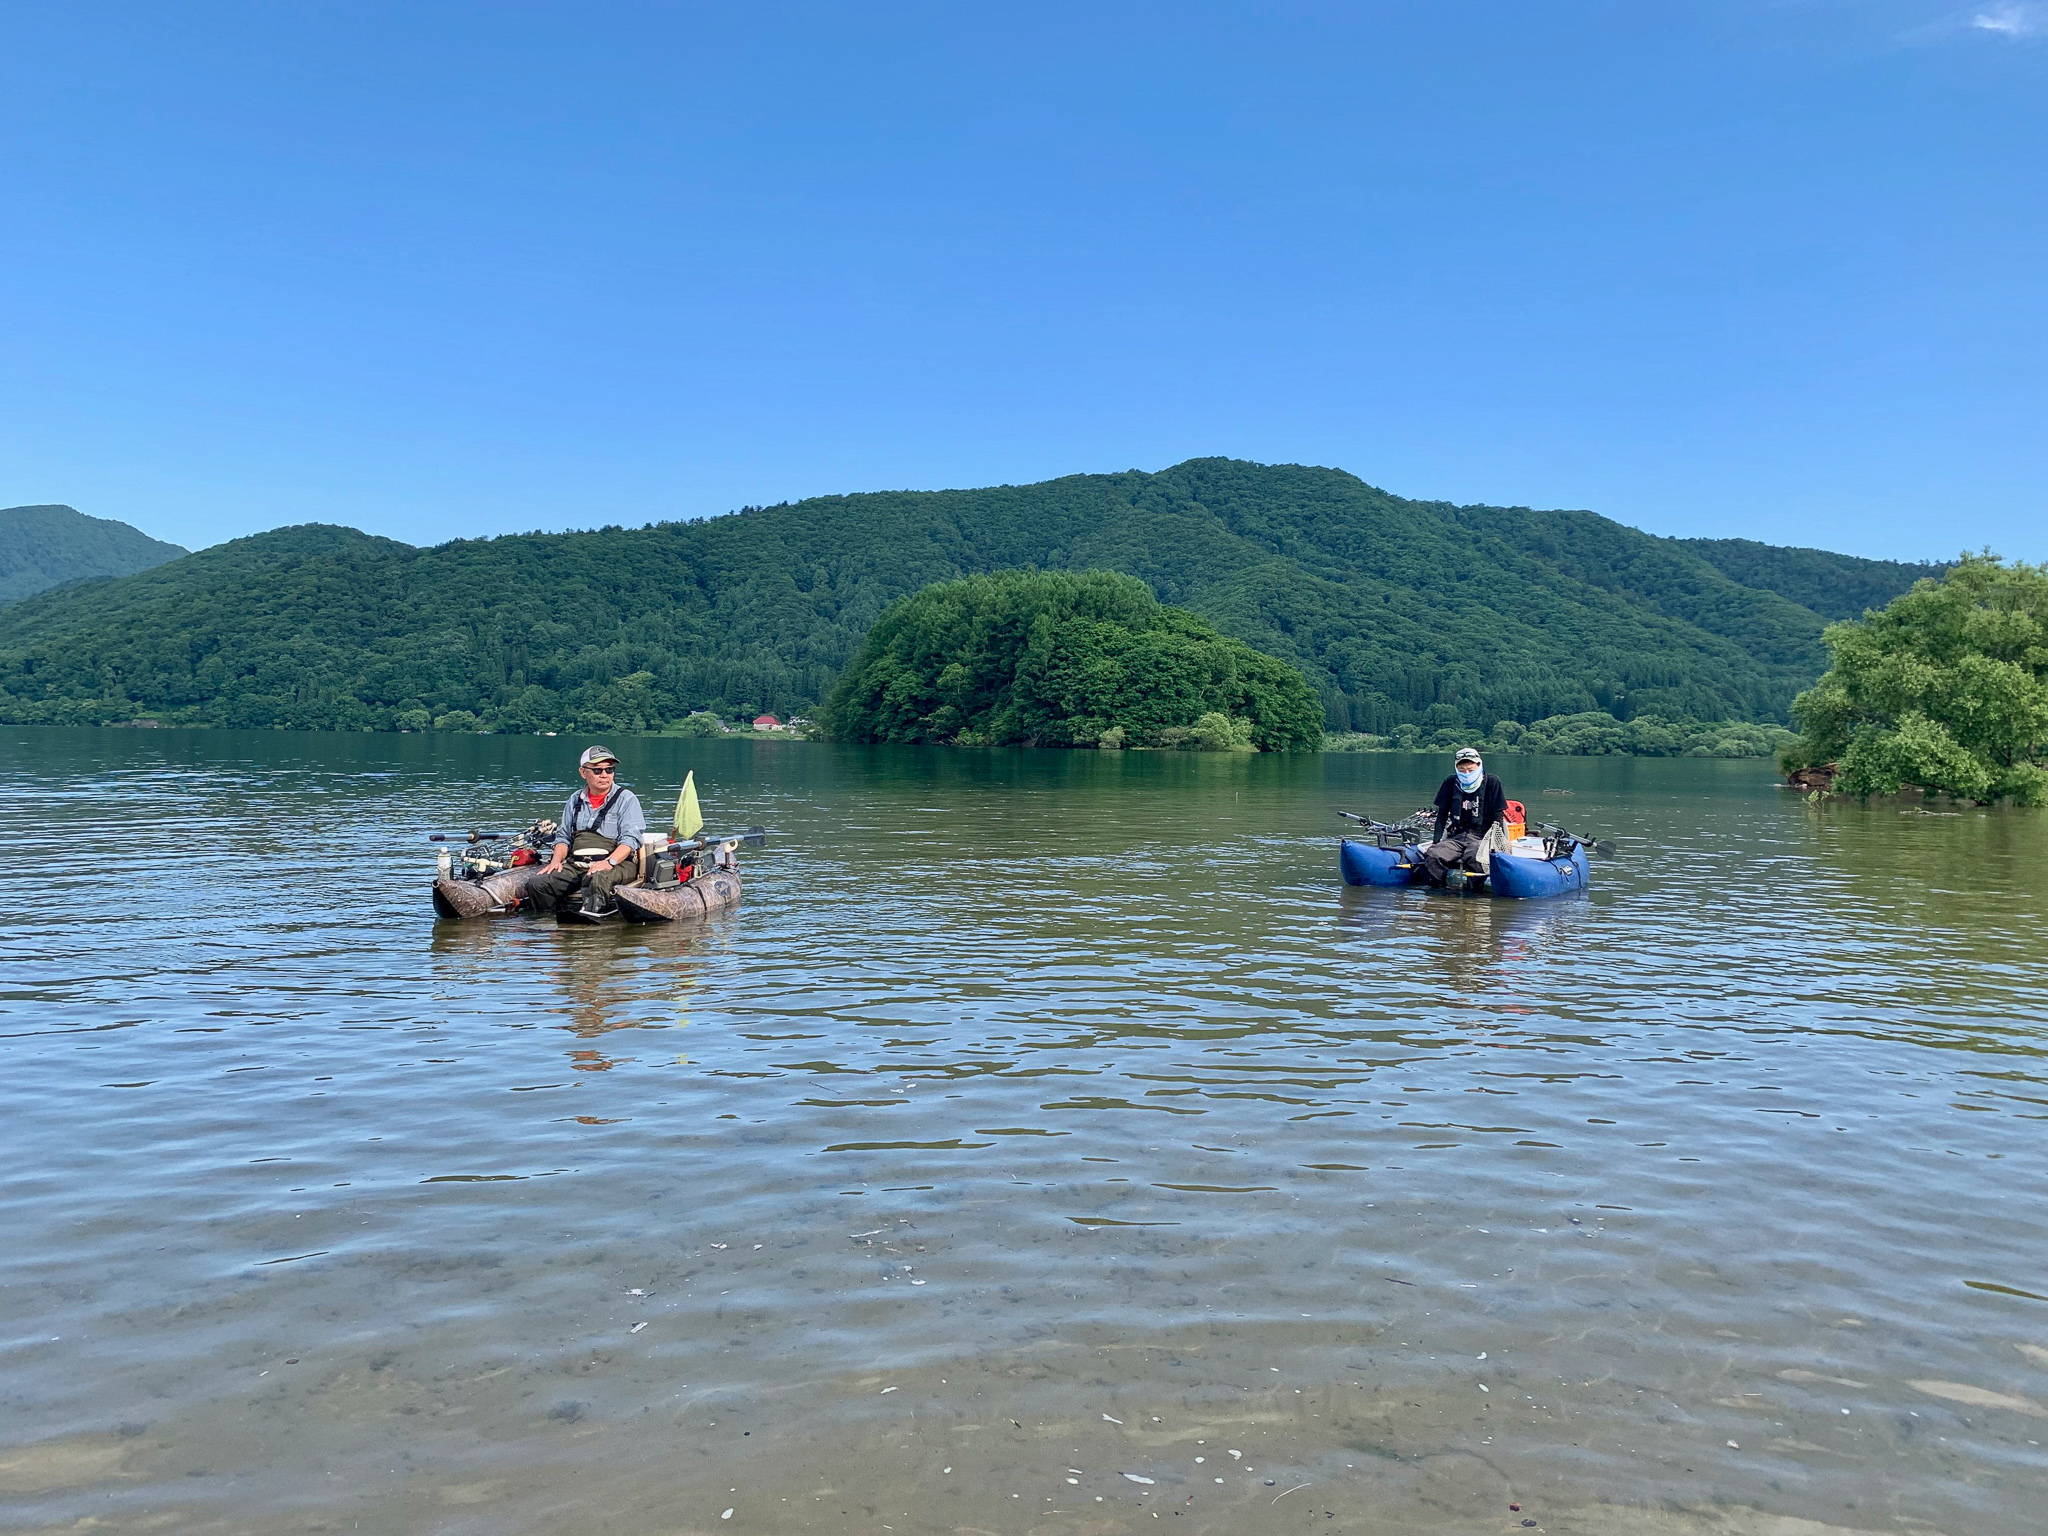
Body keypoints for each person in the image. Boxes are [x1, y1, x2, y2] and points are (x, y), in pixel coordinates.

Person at [523, 745, 648, 916]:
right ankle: (548, 922)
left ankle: (592, 922)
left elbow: (630, 840)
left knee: (597, 879)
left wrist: (608, 862)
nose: (604, 775)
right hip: (577, 864)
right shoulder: (574, 800)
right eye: (597, 770)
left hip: (617, 864)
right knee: (538, 884)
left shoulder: (627, 799)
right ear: (583, 772)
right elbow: (563, 837)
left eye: (609, 769)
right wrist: (556, 861)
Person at [1419, 747, 1507, 886]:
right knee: (1434, 855)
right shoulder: (1450, 782)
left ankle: (1474, 891)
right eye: (1462, 770)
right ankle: (1437, 892)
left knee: (1475, 856)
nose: (1466, 773)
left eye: (1470, 770)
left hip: (1482, 837)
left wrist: (1497, 845)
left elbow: (1498, 816)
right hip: (1457, 836)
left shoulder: (1492, 782)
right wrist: (1436, 842)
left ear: (1478, 765)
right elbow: (1442, 815)